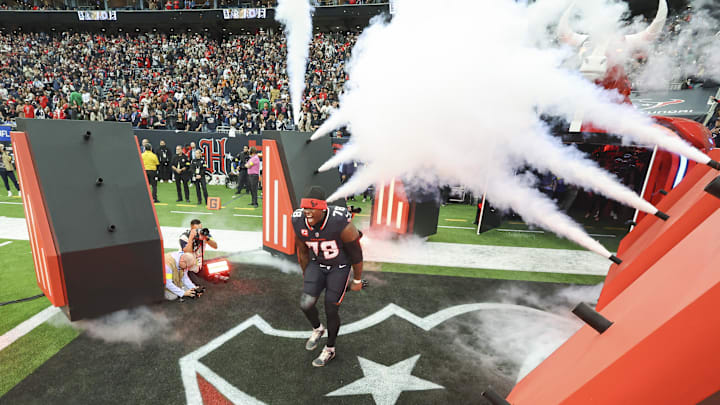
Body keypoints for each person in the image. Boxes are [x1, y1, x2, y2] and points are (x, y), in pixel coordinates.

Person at [292, 186, 364, 367]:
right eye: (305, 208)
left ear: (323, 209)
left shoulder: (339, 222)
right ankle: (318, 329)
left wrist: (356, 280)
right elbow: (302, 251)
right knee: (306, 304)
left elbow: (356, 253)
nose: (307, 212)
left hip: (339, 267)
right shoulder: (298, 220)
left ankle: (330, 349)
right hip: (317, 264)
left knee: (331, 309)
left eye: (311, 208)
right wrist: (306, 272)